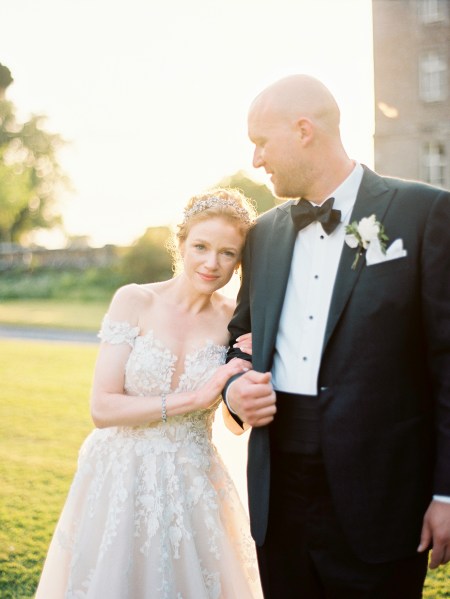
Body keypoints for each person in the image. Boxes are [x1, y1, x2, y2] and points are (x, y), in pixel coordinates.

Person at [224, 74, 450, 598]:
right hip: (278, 492)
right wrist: (234, 392)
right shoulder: (263, 235)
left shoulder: (423, 213)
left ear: (304, 130)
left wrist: (447, 493)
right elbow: (237, 338)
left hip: (383, 493)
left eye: (261, 142)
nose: (257, 160)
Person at [35, 188, 263, 598]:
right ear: (180, 244)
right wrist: (195, 399)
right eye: (201, 246)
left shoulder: (237, 319)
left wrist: (241, 381)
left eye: (228, 253)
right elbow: (102, 408)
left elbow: (233, 425)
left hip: (194, 479)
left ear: (240, 261)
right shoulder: (134, 300)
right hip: (119, 476)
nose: (212, 263)